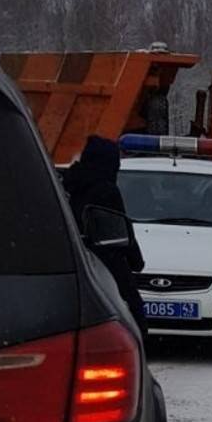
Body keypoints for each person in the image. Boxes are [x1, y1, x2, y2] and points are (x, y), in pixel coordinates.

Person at [63, 135, 147, 335]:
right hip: (105, 258)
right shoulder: (106, 190)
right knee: (132, 308)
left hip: (71, 257)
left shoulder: (67, 183)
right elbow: (119, 226)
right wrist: (136, 260)